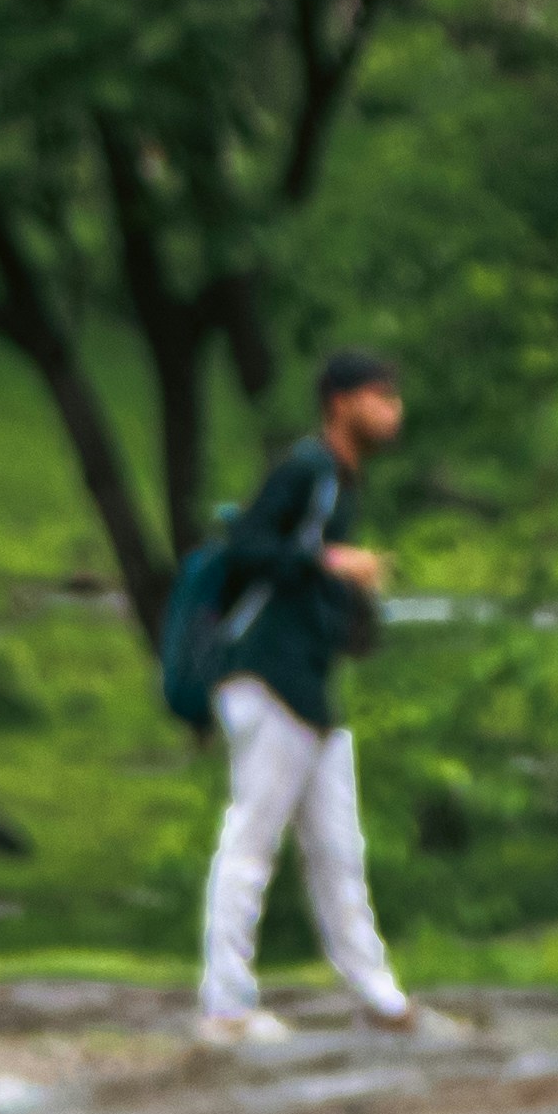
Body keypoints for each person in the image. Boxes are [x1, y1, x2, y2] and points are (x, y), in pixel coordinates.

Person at [187, 348, 422, 1047]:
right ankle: (226, 1004)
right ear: (342, 401)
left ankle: (381, 998)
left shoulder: (341, 481)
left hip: (307, 685)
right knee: (252, 840)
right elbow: (249, 544)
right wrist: (329, 563)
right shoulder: (309, 468)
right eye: (381, 395)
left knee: (338, 846)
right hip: (267, 676)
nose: (393, 410)